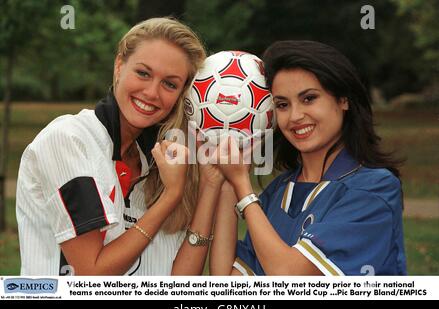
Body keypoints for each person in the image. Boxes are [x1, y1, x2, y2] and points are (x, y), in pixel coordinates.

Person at [16, 17, 222, 275]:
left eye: (169, 84)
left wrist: (211, 184)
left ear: (181, 96)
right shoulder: (69, 140)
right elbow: (92, 275)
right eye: (143, 73)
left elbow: (180, 285)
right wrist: (170, 197)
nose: (151, 92)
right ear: (119, 66)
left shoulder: (162, 164)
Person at [209, 40, 406, 276]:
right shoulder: (278, 192)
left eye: (309, 98)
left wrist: (242, 186)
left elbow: (291, 277)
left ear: (343, 99)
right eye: (282, 104)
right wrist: (229, 182)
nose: (295, 116)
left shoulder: (373, 190)